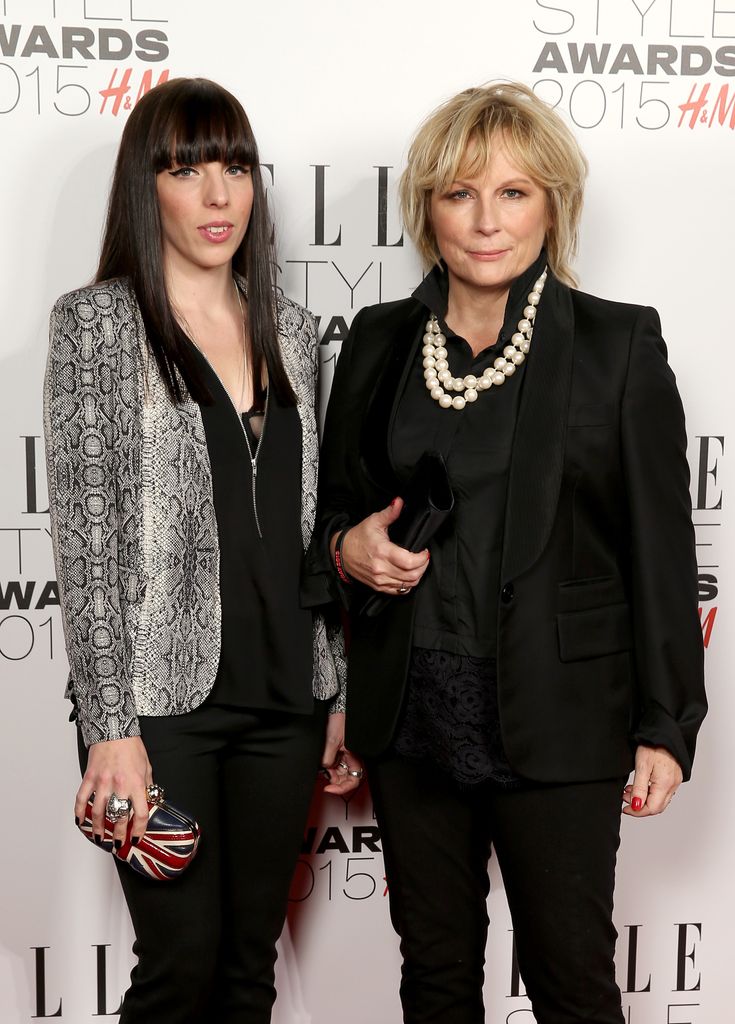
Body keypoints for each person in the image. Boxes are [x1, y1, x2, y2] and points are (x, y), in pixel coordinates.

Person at [310, 81, 707, 1023]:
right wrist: (346, 548)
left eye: (514, 193)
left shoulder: (617, 343)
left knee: (571, 980)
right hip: (413, 716)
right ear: (427, 210)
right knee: (436, 978)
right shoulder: (378, 339)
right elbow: (335, 511)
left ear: (552, 204)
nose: (486, 222)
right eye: (459, 194)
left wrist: (667, 721)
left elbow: (659, 547)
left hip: (561, 716)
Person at [43, 77, 360, 1024]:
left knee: (246, 969)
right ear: (149, 189)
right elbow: (86, 538)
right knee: (177, 968)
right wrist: (109, 726)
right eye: (186, 170)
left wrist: (332, 682)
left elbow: (314, 532)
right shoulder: (97, 324)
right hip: (157, 704)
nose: (217, 195)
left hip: (284, 700)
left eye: (233, 167)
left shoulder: (297, 336)